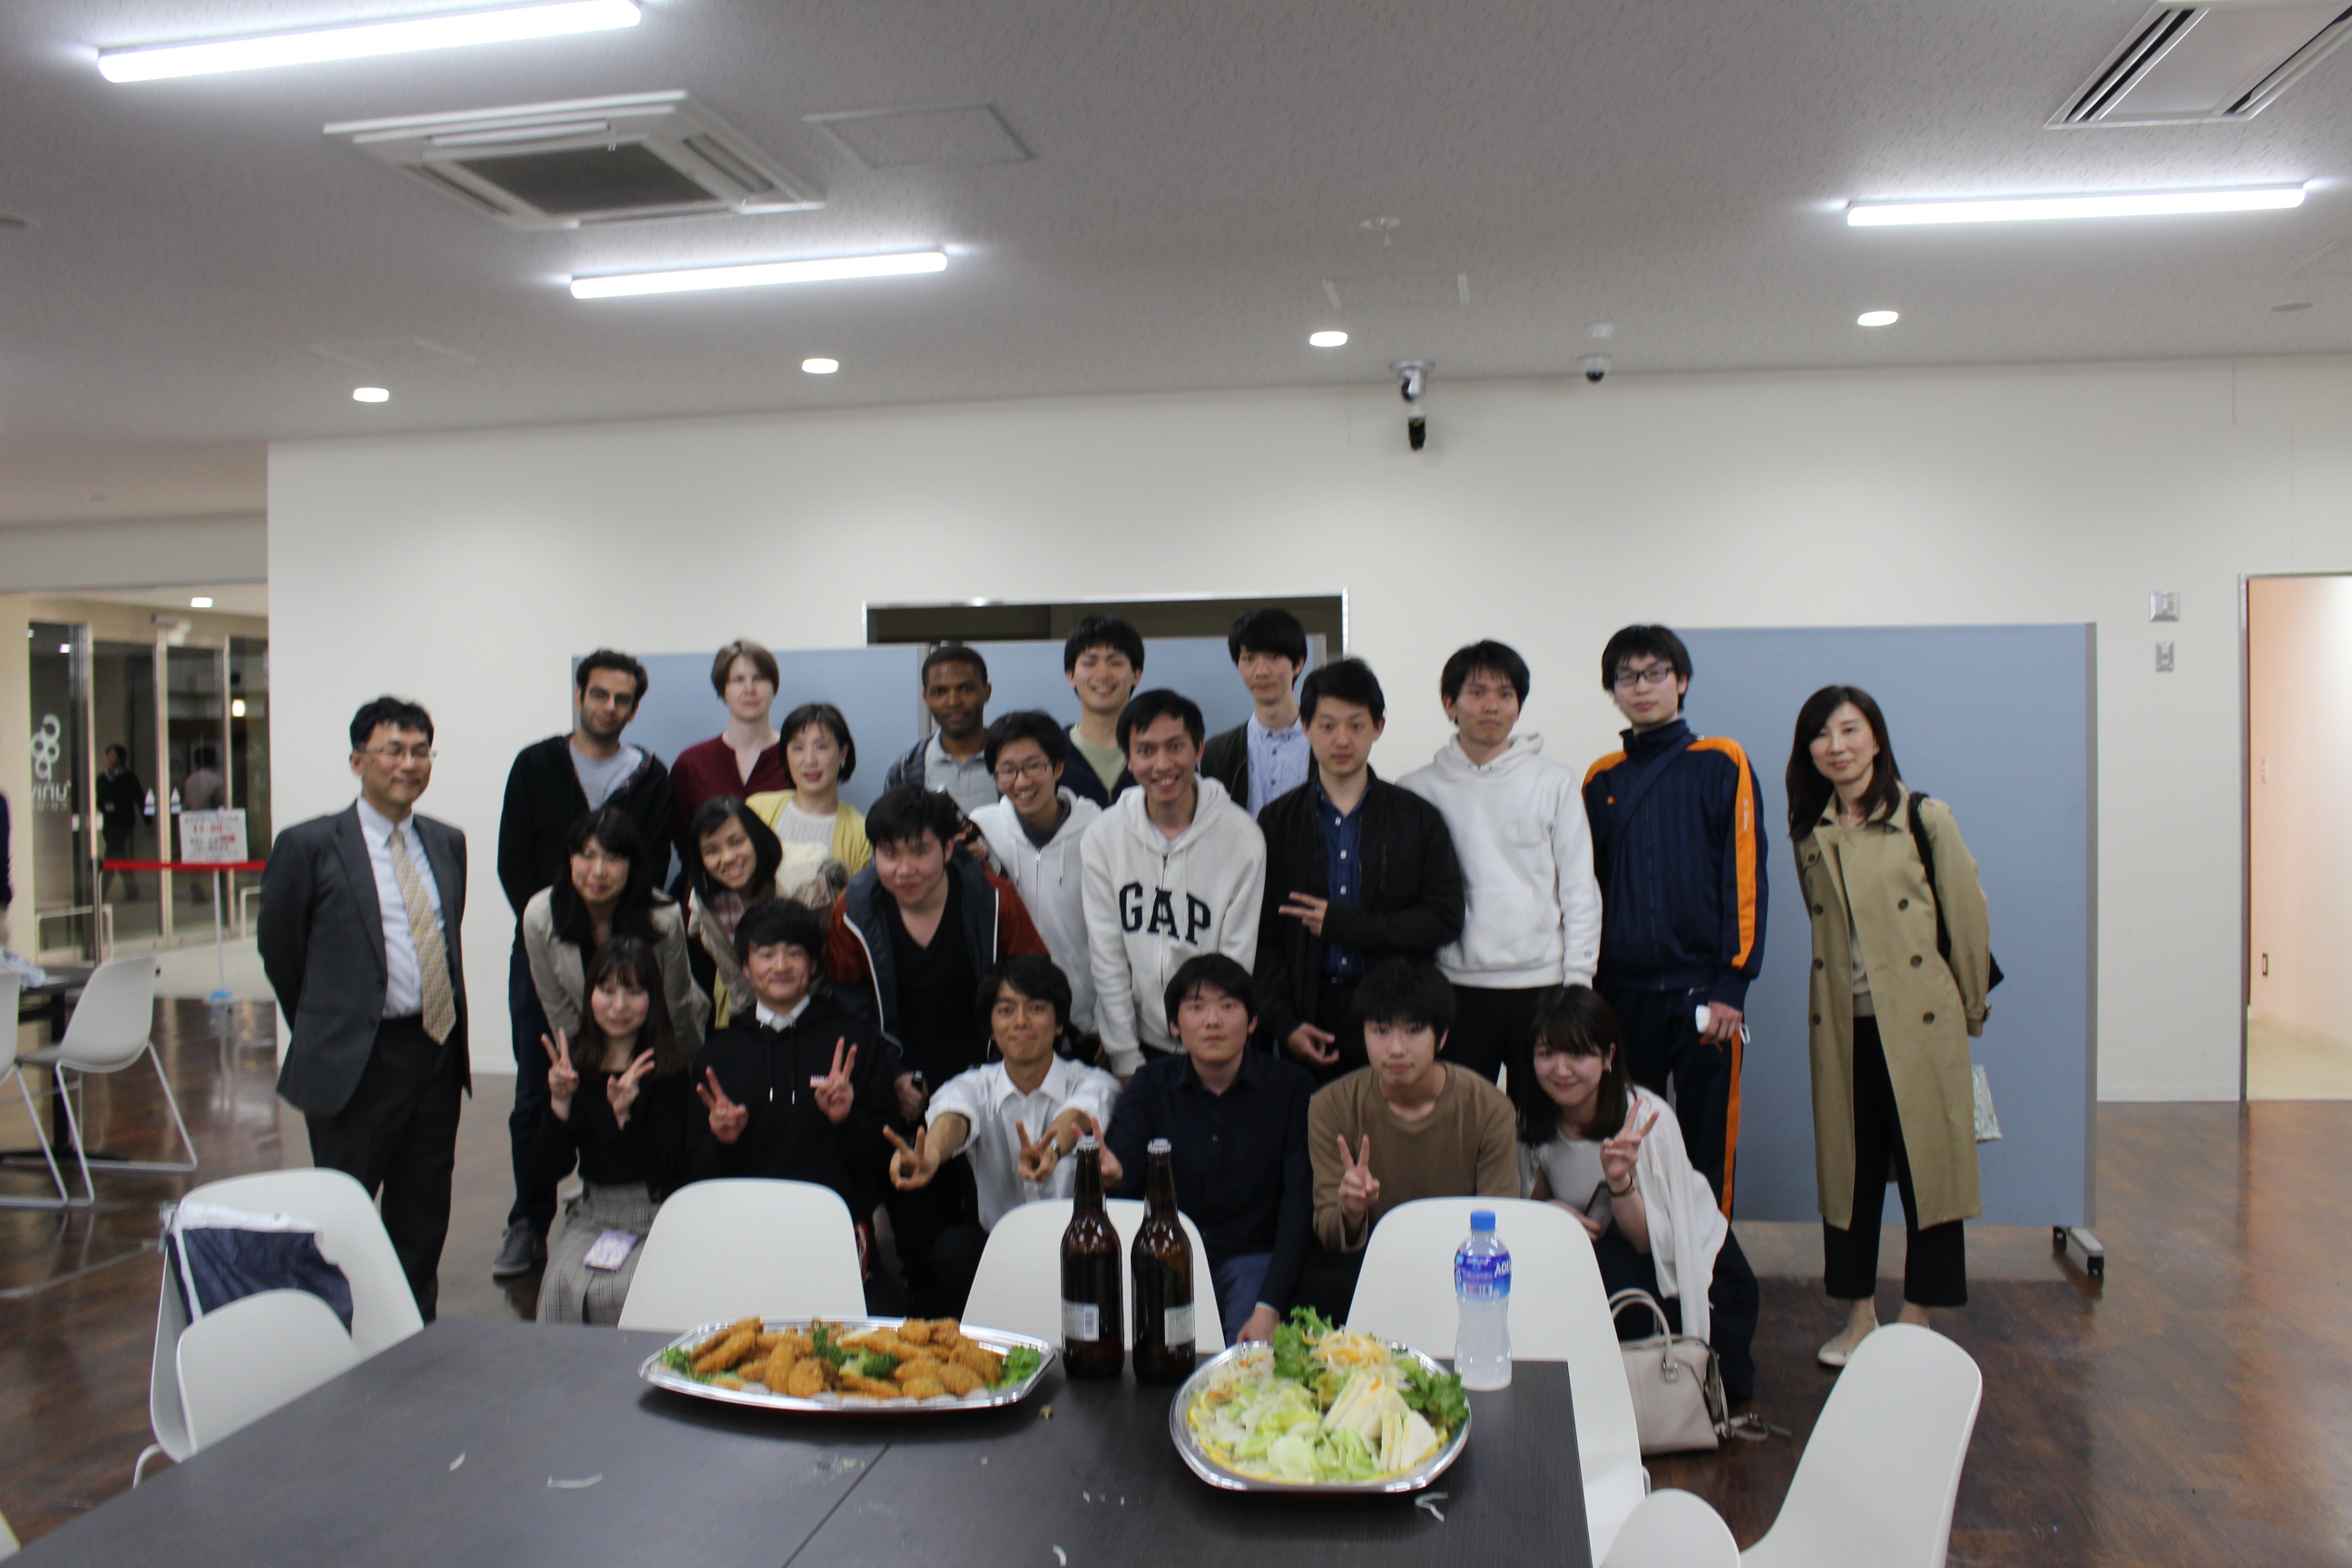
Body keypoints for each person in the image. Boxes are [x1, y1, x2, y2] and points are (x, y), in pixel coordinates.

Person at [1787, 685, 1992, 1367]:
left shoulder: (1924, 818)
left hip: (1920, 1028)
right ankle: (1857, 1319)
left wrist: (1968, 1014)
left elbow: (1967, 920)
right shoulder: (1810, 832)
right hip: (1843, 1031)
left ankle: (1919, 1318)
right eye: (1822, 734)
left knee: (1930, 1176)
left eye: (1850, 730)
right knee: (1848, 1179)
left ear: (1876, 738)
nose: (1836, 746)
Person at [258, 697, 468, 1318]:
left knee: (423, 1211)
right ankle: (340, 1333)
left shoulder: (447, 842)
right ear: (358, 761)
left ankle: (414, 1333)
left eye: (421, 751)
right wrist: (329, 1028)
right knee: (343, 1214)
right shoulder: (309, 846)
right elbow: (281, 953)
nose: (409, 764)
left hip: (434, 1052)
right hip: (356, 1063)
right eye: (393, 750)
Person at [826, 784, 1049, 1311]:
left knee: (986, 1226)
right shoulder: (853, 909)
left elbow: (1032, 981)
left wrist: (1006, 1069)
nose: (904, 869)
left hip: (988, 1073)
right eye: (889, 854)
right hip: (904, 1085)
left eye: (919, 852)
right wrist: (890, 1074)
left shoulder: (993, 898)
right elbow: (848, 1004)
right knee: (918, 1229)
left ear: (949, 848)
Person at [495, 650, 673, 1279]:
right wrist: (564, 928)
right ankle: (528, 1219)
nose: (609, 707)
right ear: (579, 695)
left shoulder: (650, 776)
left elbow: (652, 865)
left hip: (628, 964)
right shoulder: (536, 764)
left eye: (622, 699)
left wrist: (616, 959)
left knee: (637, 1084)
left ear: (634, 708)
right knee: (543, 1088)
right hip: (547, 951)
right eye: (599, 694)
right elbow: (513, 862)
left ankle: (635, 1202)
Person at [1583, 625, 1768, 1210]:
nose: (1641, 687)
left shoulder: (1721, 760)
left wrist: (1732, 985)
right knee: (1624, 1138)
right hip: (1621, 995)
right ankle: (1635, 1250)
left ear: (1681, 681)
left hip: (1704, 994)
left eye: (1655, 673)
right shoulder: (1601, 778)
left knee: (1706, 1144)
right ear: (1613, 690)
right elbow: (1587, 888)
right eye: (1626, 677)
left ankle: (1709, 1258)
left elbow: (1745, 876)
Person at [1509, 985, 1758, 1405]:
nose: (1561, 1070)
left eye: (1578, 1054)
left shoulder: (1647, 1119)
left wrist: (1619, 1180)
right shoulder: (1533, 1122)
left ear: (1608, 1057)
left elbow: (1650, 1242)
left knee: (1596, 1273)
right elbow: (1537, 1202)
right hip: (1611, 1259)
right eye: (1546, 1054)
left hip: (1695, 1272)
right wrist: (1551, 1213)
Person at [1398, 640, 1602, 1082]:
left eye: (1505, 694)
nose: (1491, 705)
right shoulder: (1417, 789)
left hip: (1543, 984)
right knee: (1464, 1113)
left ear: (1518, 705)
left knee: (1545, 1114)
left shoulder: (1554, 782)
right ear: (1450, 704)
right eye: (1477, 693)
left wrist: (1578, 981)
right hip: (1456, 986)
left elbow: (1579, 887)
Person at [1256, 658, 1464, 1082]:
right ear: (1306, 727)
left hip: (1396, 1016)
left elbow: (1444, 918)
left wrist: (1349, 925)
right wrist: (1284, 1022)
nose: (1342, 740)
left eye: (1356, 725)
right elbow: (1264, 933)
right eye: (1327, 726)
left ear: (1378, 727)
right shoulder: (1277, 821)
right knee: (1316, 1124)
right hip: (1309, 1015)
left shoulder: (1417, 818)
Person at [688, 899, 900, 1310]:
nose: (781, 966)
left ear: (814, 963)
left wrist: (847, 1121)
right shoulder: (718, 1054)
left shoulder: (853, 1041)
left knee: (883, 1322)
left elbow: (886, 1159)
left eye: (794, 953)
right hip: (744, 1240)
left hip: (838, 1235)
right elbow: (695, 1174)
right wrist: (722, 1141)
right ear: (745, 967)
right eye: (766, 954)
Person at [885, 955, 1122, 1315]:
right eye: (1006, 1010)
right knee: (954, 1250)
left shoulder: (1093, 1080)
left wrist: (1051, 1150)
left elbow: (1082, 1112)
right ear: (991, 1027)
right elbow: (953, 1116)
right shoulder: (972, 1084)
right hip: (1000, 1246)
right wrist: (930, 1154)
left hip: (1081, 1246)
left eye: (1036, 1008)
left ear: (1059, 1023)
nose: (1021, 1021)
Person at [1104, 954, 1316, 1347]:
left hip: (1251, 1257)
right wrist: (1112, 1172)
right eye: (1197, 1007)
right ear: (1174, 1024)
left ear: (1253, 1021)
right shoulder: (1149, 1085)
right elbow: (1123, 1164)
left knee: (1247, 1356)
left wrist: (1269, 1305)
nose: (1213, 1021)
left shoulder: (1292, 1088)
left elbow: (1300, 1201)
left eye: (1228, 1006)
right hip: (1167, 1253)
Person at [1300, 958, 1516, 1320]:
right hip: (1370, 1258)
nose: (1396, 1049)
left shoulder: (1490, 1109)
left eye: (1413, 1031)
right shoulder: (1330, 1106)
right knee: (1321, 1285)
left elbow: (1500, 1220)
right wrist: (1351, 1211)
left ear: (1442, 1037)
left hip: (1460, 1262)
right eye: (1381, 1031)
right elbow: (1329, 1232)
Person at [1081, 690, 1267, 1078]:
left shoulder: (1242, 838)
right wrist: (1125, 1057)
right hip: (1138, 1039)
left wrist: (1214, 1049)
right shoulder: (1104, 835)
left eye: (1176, 746)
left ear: (1199, 750)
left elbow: (1236, 962)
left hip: (1216, 1043)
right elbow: (1107, 958)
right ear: (1129, 759)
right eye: (1146, 750)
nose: (1162, 764)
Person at [533, 936, 693, 1325]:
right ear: (590, 994)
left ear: (652, 999)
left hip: (653, 1213)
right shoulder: (573, 1066)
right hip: (593, 1213)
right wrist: (560, 1103)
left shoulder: (671, 1068)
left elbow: (665, 1168)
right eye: (607, 991)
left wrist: (625, 1118)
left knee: (624, 1291)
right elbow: (546, 1169)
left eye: (633, 992)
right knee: (559, 1282)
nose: (619, 1006)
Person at [969, 711, 1103, 1037]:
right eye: (1007, 770)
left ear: (1057, 768)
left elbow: (1116, 934)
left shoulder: (1099, 830)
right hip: (1010, 1021)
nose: (1022, 782)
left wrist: (1108, 1020)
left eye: (1033, 766)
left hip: (1085, 1018)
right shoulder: (980, 829)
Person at [685, 796, 838, 1029]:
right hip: (756, 1016)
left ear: (757, 838)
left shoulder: (807, 885)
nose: (727, 858)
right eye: (711, 850)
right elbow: (736, 980)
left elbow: (828, 969)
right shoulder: (709, 902)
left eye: (736, 842)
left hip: (820, 1012)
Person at [669, 640, 789, 867]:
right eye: (738, 680)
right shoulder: (691, 764)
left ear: (774, 687)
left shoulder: (796, 759)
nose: (749, 689)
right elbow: (686, 844)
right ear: (722, 690)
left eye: (759, 678)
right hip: (708, 886)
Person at [1200, 607, 1311, 820]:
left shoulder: (1323, 743)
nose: (1261, 671)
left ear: (1298, 663)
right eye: (1249, 658)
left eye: (1274, 657)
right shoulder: (1217, 752)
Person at [748, 701, 872, 875]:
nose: (809, 760)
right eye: (798, 748)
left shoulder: (861, 834)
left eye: (821, 747)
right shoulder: (756, 810)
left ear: (843, 753)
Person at [883, 644, 999, 811]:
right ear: (926, 698)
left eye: (966, 689)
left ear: (986, 692)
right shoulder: (904, 769)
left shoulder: (1019, 763)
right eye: (939, 692)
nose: (953, 702)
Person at [1060, 614, 1144, 807]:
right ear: (1071, 676)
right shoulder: (1050, 756)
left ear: (1136, 674)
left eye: (1115, 663)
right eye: (1090, 663)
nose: (1103, 674)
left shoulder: (1163, 754)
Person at [98, 745, 144, 901]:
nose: (110, 759)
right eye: (108, 755)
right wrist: (104, 807)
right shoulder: (103, 778)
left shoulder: (128, 777)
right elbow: (98, 799)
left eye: (113, 755)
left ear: (120, 758)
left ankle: (101, 893)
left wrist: (148, 820)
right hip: (108, 821)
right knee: (118, 854)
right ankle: (132, 890)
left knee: (111, 854)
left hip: (124, 820)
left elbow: (140, 798)